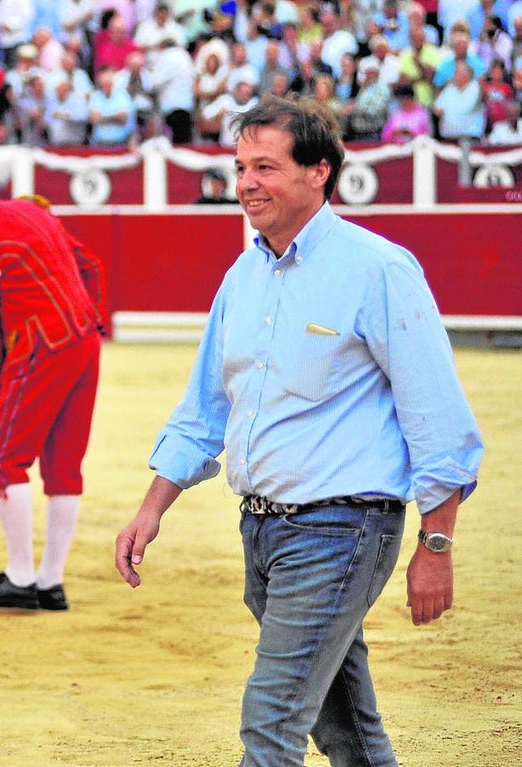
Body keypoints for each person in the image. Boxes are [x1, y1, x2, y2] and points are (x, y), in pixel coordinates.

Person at [114, 96, 483, 766]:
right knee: (346, 730)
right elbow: (205, 408)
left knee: (271, 721)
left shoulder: (378, 268)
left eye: (265, 167)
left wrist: (437, 543)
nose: (246, 184)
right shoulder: (243, 276)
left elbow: (436, 417)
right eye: (239, 168)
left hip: (343, 530)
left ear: (319, 172)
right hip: (262, 532)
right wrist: (151, 507)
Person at [0, 171, 106, 612]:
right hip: (84, 339)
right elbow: (91, 266)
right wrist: (90, 323)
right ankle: (50, 582)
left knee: (3, 459)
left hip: (39, 346)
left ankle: (19, 578)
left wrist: (0, 392)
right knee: (63, 465)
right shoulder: (31, 210)